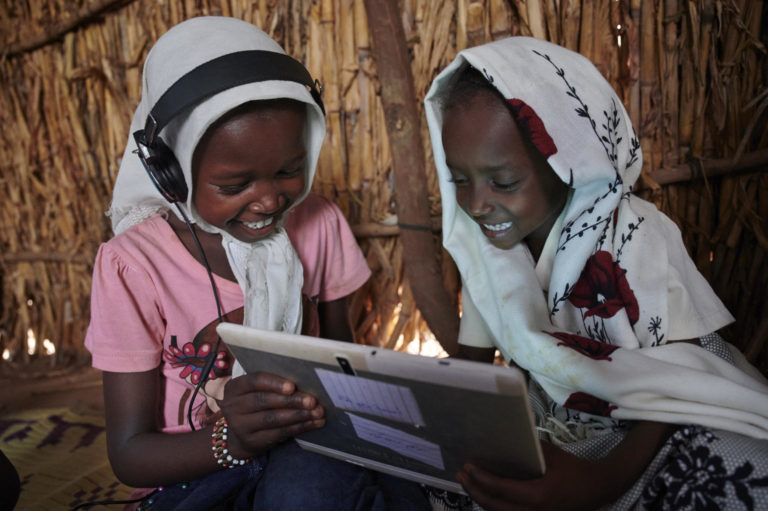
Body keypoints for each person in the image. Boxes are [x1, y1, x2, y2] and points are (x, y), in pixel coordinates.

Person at [85, 16, 430, 511]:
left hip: (310, 450)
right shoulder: (132, 265)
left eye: (290, 171)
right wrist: (235, 442)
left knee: (310, 492)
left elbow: (343, 365)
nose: (269, 201)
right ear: (171, 173)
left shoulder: (319, 223)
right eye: (233, 186)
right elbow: (129, 455)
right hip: (193, 471)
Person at [423, 37, 768, 510]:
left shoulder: (636, 236)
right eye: (459, 179)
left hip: (669, 413)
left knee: (728, 477)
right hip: (570, 421)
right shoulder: (490, 255)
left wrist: (599, 483)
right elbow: (472, 364)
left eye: (503, 182)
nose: (477, 204)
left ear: (569, 165)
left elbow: (682, 385)